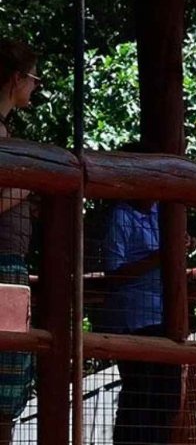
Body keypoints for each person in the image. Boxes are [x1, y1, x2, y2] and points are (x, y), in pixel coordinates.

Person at [99, 181, 180, 445]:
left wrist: (182, 246)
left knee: (166, 396)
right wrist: (159, 256)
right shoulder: (121, 216)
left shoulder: (161, 212)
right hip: (134, 318)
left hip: (164, 315)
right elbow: (114, 273)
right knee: (139, 394)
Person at [0, 40, 38, 445]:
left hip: (10, 263)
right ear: (15, 79)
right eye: (33, 78)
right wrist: (29, 184)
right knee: (6, 373)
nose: (35, 86)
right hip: (2, 266)